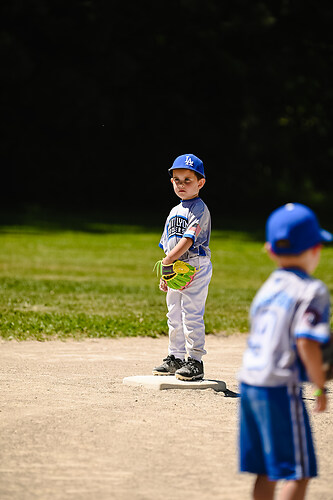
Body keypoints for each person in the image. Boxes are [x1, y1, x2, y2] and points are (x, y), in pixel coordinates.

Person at [238, 202, 333, 500]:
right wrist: (320, 386)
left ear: (270, 250)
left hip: (250, 383)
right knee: (297, 471)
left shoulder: (267, 288)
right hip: (279, 387)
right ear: (316, 249)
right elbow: (306, 342)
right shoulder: (311, 289)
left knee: (266, 469)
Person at [152, 154, 212, 381]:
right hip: (175, 268)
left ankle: (195, 361)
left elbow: (188, 240)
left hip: (195, 266)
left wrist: (167, 263)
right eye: (177, 179)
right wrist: (166, 273)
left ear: (200, 183)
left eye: (188, 179)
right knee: (174, 314)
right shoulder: (173, 211)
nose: (182, 184)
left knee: (191, 314)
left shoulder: (199, 209)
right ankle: (175, 357)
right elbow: (168, 245)